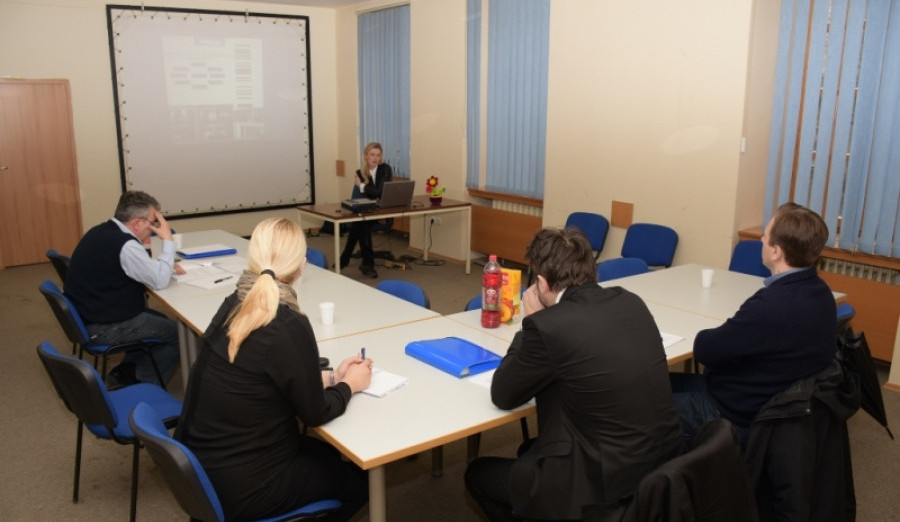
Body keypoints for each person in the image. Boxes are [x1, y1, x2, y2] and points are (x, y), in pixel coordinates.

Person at [465, 227, 684, 522]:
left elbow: (503, 394)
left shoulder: (549, 326)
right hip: (662, 465)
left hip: (600, 485)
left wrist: (533, 321)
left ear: (542, 282)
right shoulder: (631, 301)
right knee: (530, 449)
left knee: (477, 474)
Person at [175, 218, 371, 522]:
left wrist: (334, 377)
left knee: (327, 454)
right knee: (359, 481)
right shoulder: (288, 323)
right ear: (302, 265)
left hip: (202, 469)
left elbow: (265, 377)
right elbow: (315, 414)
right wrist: (351, 386)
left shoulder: (235, 301)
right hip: (247, 487)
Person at [669, 202, 837, 441]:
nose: (761, 239)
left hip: (737, 413)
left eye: (766, 235)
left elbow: (706, 350)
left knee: (640, 401)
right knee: (656, 383)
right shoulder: (821, 293)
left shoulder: (771, 304)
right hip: (774, 403)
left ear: (776, 251)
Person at [64, 190, 184, 387]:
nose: (155, 228)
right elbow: (159, 282)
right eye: (153, 222)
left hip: (90, 314)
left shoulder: (102, 230)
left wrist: (164, 266)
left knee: (159, 321)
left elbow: (137, 268)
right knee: (176, 335)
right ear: (137, 223)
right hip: (102, 326)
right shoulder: (126, 245)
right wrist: (168, 240)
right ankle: (143, 384)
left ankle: (127, 372)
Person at [339, 142, 393, 278]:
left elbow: (379, 193)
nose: (375, 158)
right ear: (365, 156)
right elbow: (368, 196)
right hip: (368, 210)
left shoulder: (385, 169)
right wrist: (365, 189)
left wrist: (362, 186)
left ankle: (346, 257)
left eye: (378, 155)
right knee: (361, 223)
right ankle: (367, 264)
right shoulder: (360, 173)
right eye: (372, 155)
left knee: (360, 224)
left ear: (381, 157)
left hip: (382, 212)